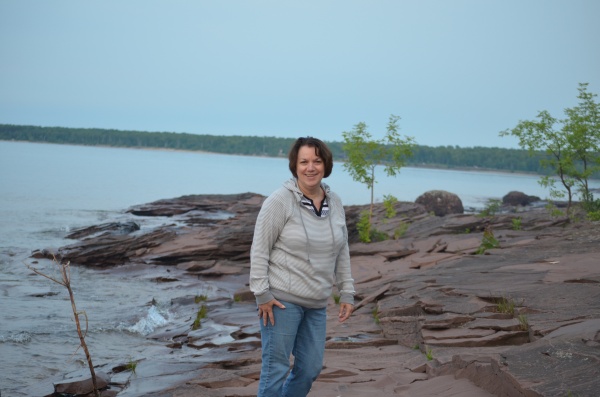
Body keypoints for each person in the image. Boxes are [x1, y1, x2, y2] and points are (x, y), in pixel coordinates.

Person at [249, 136, 355, 397]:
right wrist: (261, 293)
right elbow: (259, 248)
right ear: (294, 166)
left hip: (317, 302)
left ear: (326, 165)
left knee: (310, 369)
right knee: (275, 369)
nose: (311, 167)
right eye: (304, 161)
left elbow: (342, 249)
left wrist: (347, 291)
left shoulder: (335, 202)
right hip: (282, 302)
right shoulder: (280, 201)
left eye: (317, 161)